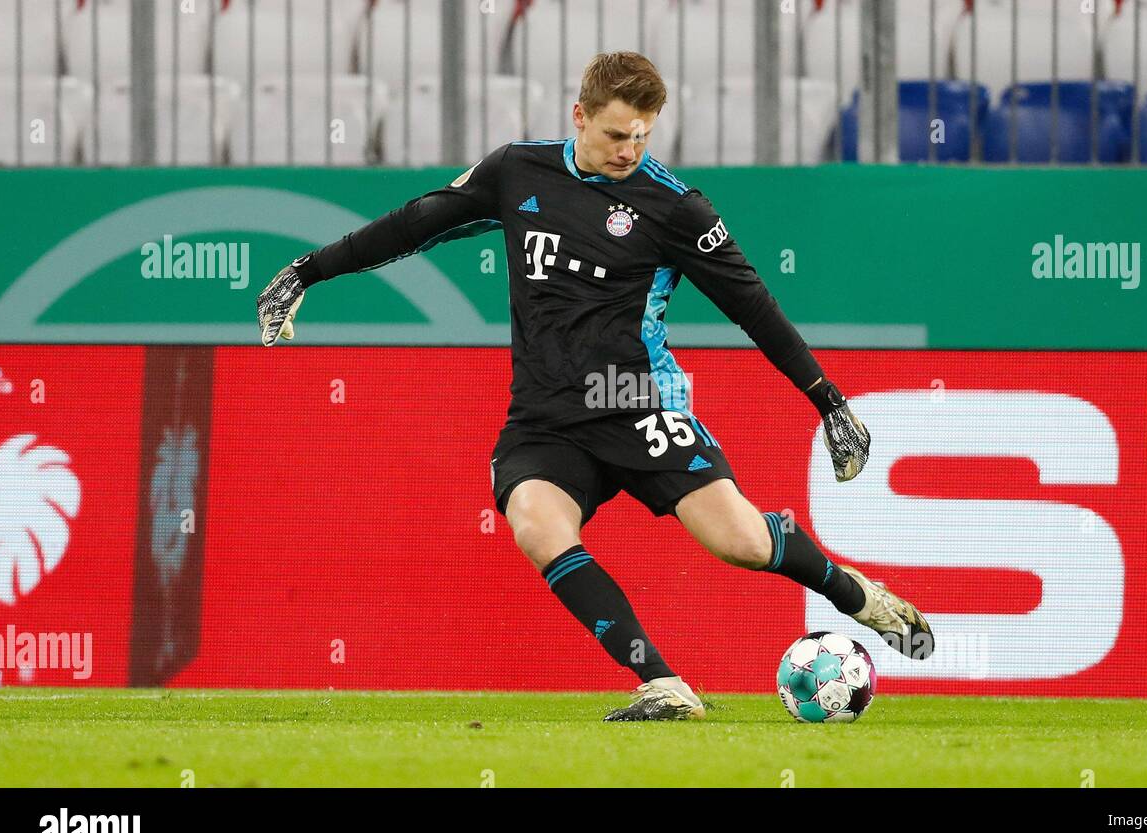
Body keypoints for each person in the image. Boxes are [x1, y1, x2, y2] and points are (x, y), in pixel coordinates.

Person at [256, 51, 932, 721]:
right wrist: (307, 272)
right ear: (578, 116)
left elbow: (753, 306)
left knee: (744, 545)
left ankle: (856, 596)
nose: (628, 150)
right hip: (546, 416)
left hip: (638, 403)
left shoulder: (676, 209)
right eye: (614, 135)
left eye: (642, 136)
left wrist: (829, 401)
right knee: (535, 523)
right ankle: (664, 685)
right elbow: (417, 223)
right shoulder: (519, 171)